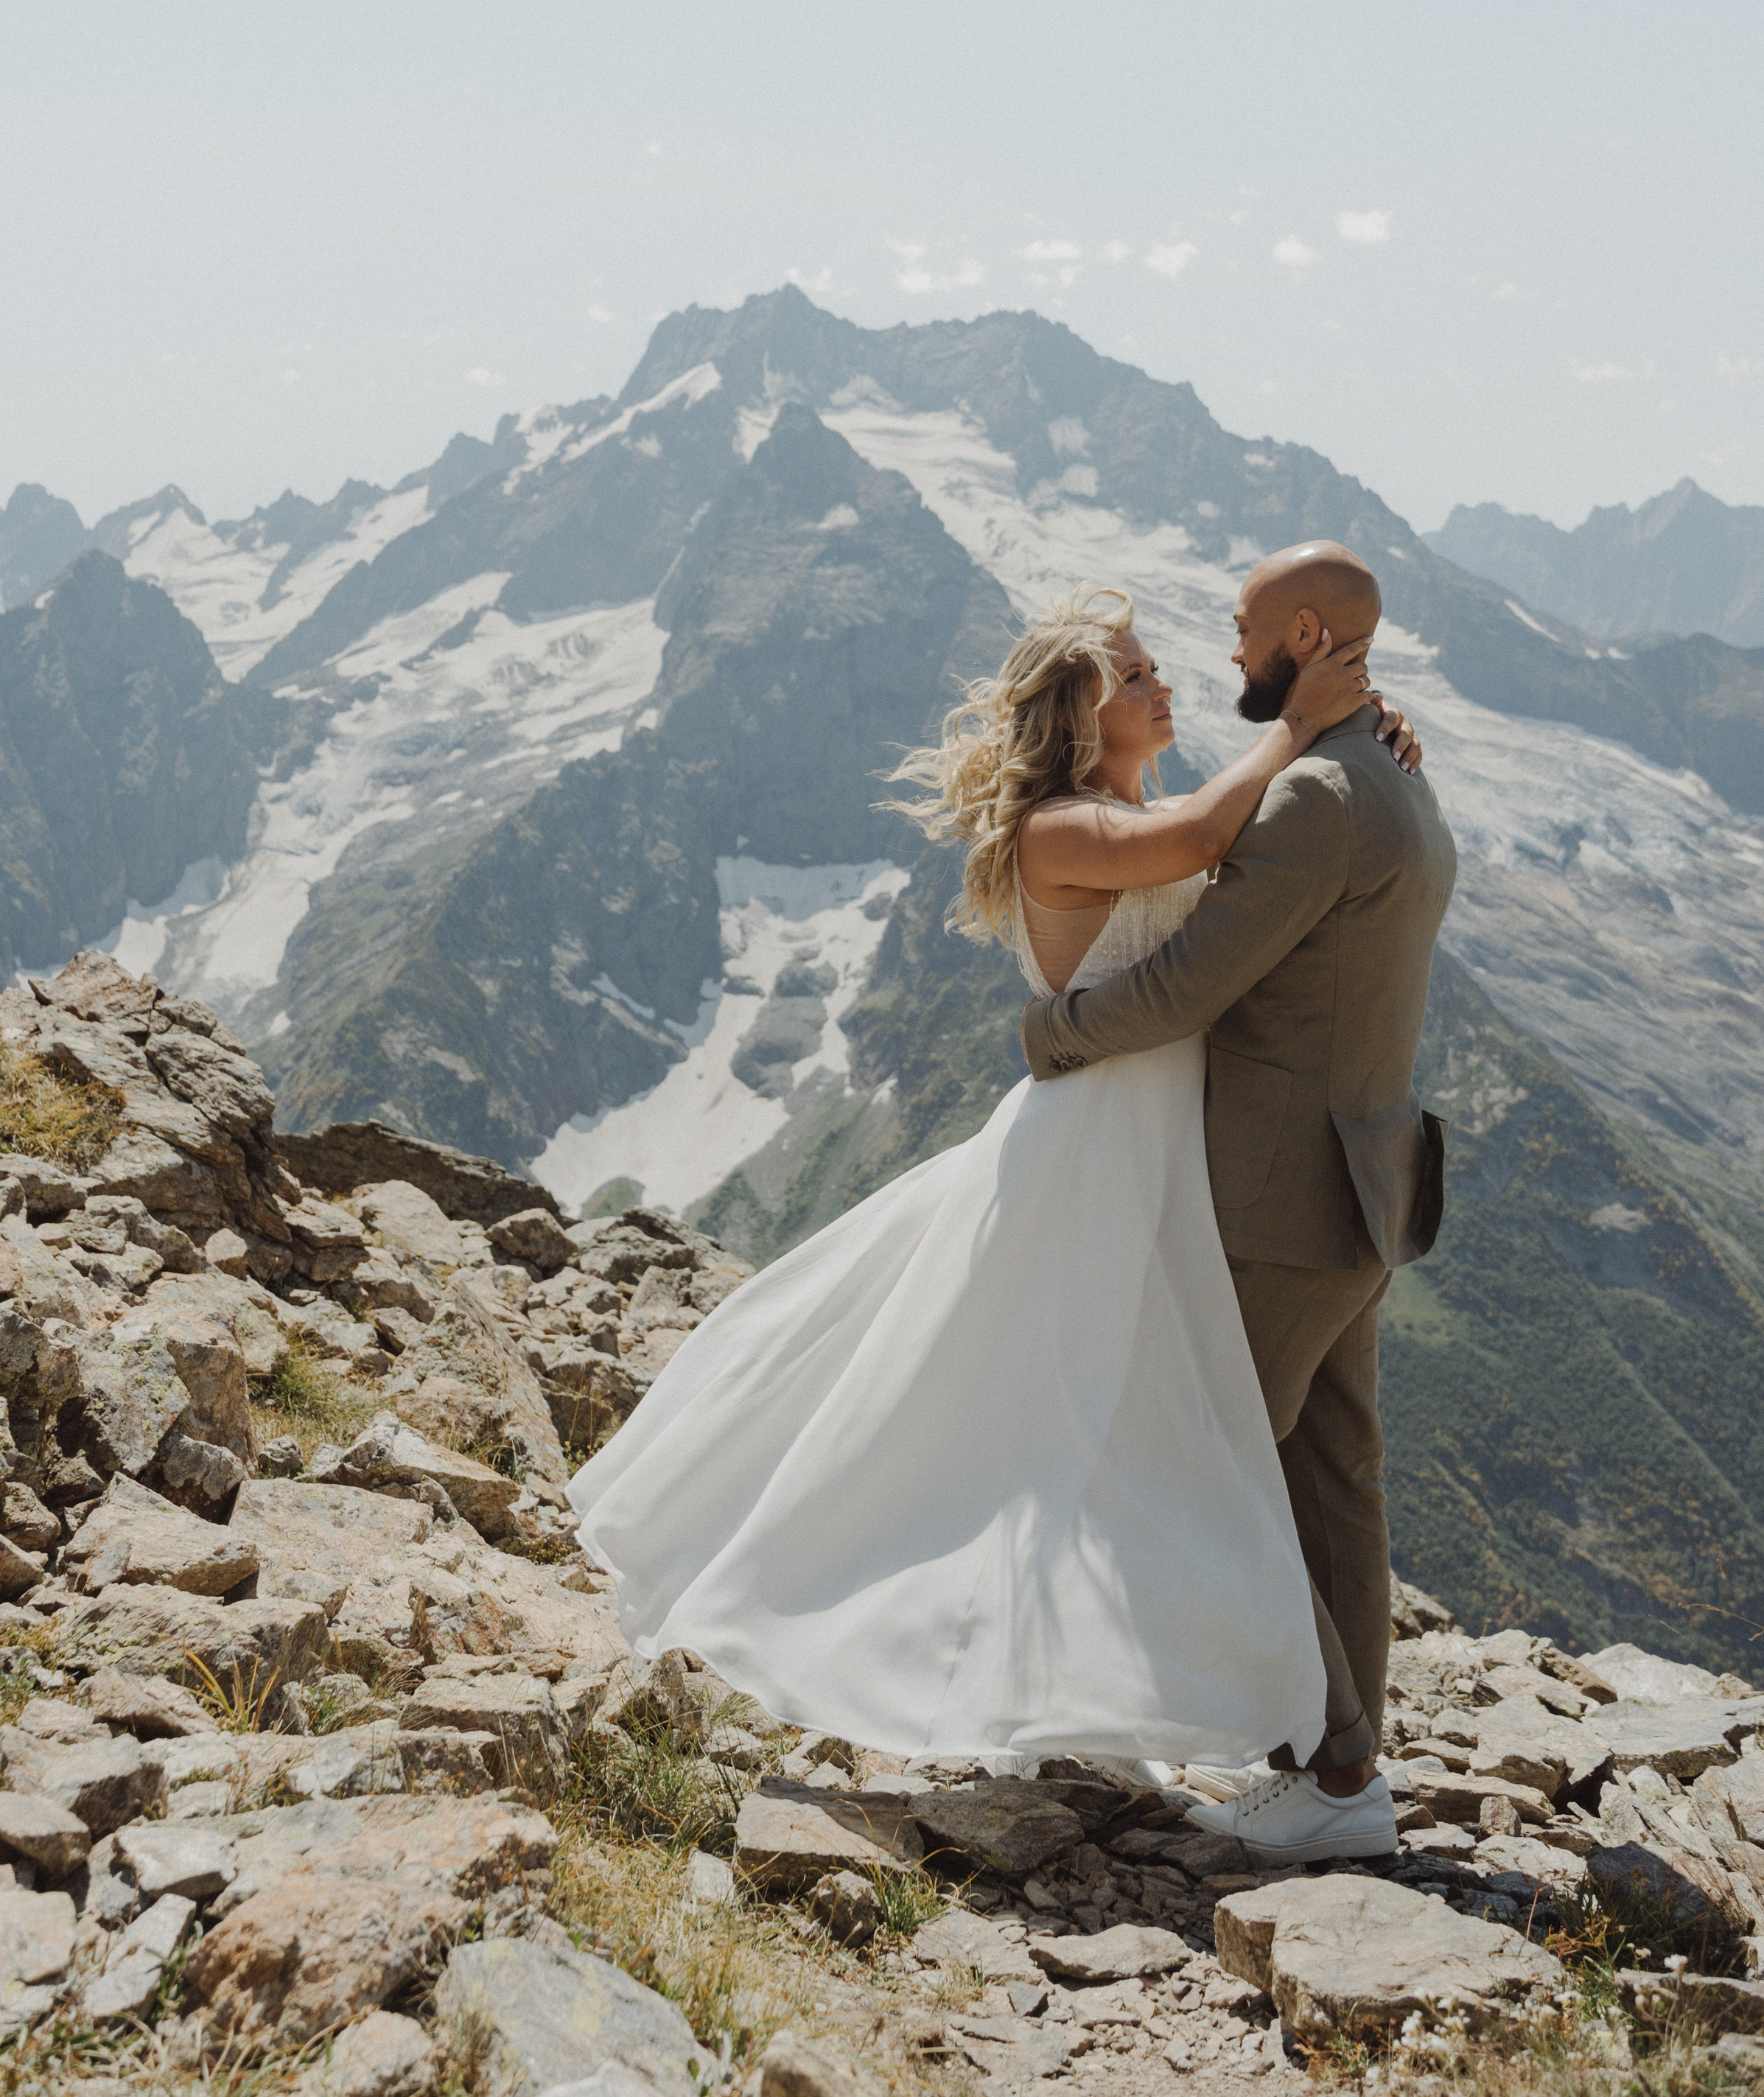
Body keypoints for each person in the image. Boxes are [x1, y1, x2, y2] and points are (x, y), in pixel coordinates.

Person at [567, 576, 1426, 1782]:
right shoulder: (1063, 830)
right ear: (1079, 714)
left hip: (1160, 1145)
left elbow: (1242, 837)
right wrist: (1304, 730)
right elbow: (1199, 846)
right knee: (1113, 1435)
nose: (1164, 681)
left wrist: (1361, 749)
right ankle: (1283, 1735)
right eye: (1132, 674)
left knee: (1107, 1434)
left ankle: (1227, 1715)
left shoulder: (1143, 803)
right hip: (1099, 1150)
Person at [1023, 541, 1457, 1860]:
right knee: (1333, 1473)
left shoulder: (1321, 792)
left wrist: (1052, 1036)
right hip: (1365, 1188)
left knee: (1217, 1472)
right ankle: (1345, 1758)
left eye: (1239, 632)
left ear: (1305, 633)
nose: (1223, 658)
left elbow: (1188, 985)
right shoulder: (1389, 776)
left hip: (1275, 1201)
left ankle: (1331, 1772)